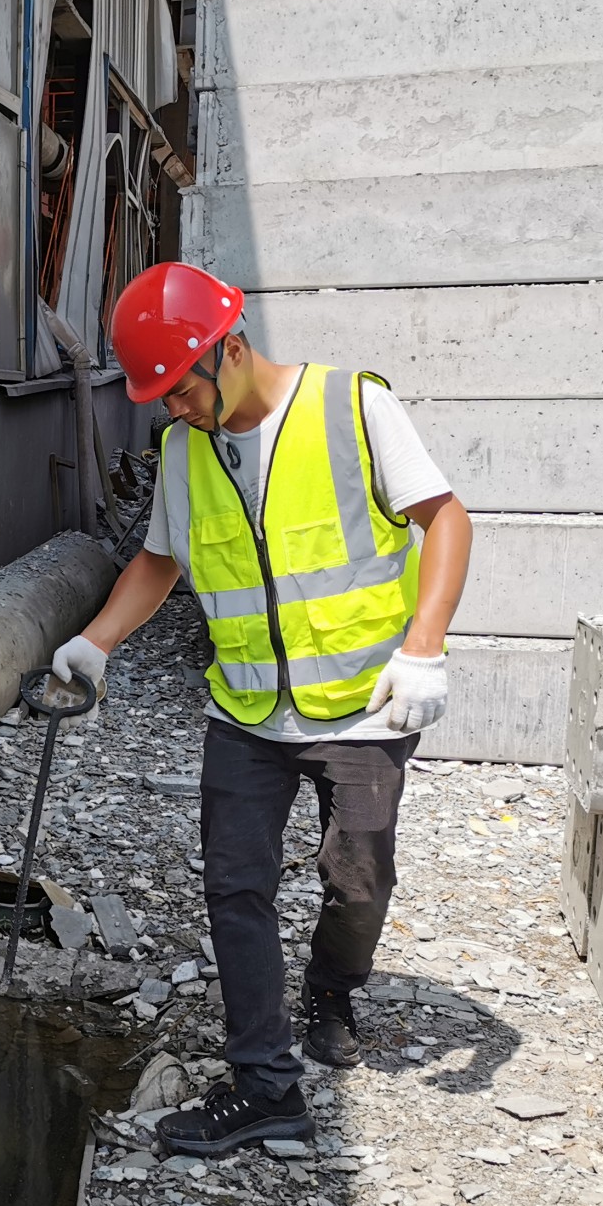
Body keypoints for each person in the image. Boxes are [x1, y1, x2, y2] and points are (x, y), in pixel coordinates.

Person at [52, 261, 473, 1157]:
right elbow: (161, 561)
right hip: (244, 712)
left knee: (358, 880)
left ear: (231, 348)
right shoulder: (183, 450)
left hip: (360, 706)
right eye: (160, 399)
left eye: (181, 390)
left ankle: (332, 985)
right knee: (234, 888)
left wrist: (425, 645)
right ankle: (266, 1087)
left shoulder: (352, 408)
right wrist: (96, 643)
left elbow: (446, 520)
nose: (174, 411)